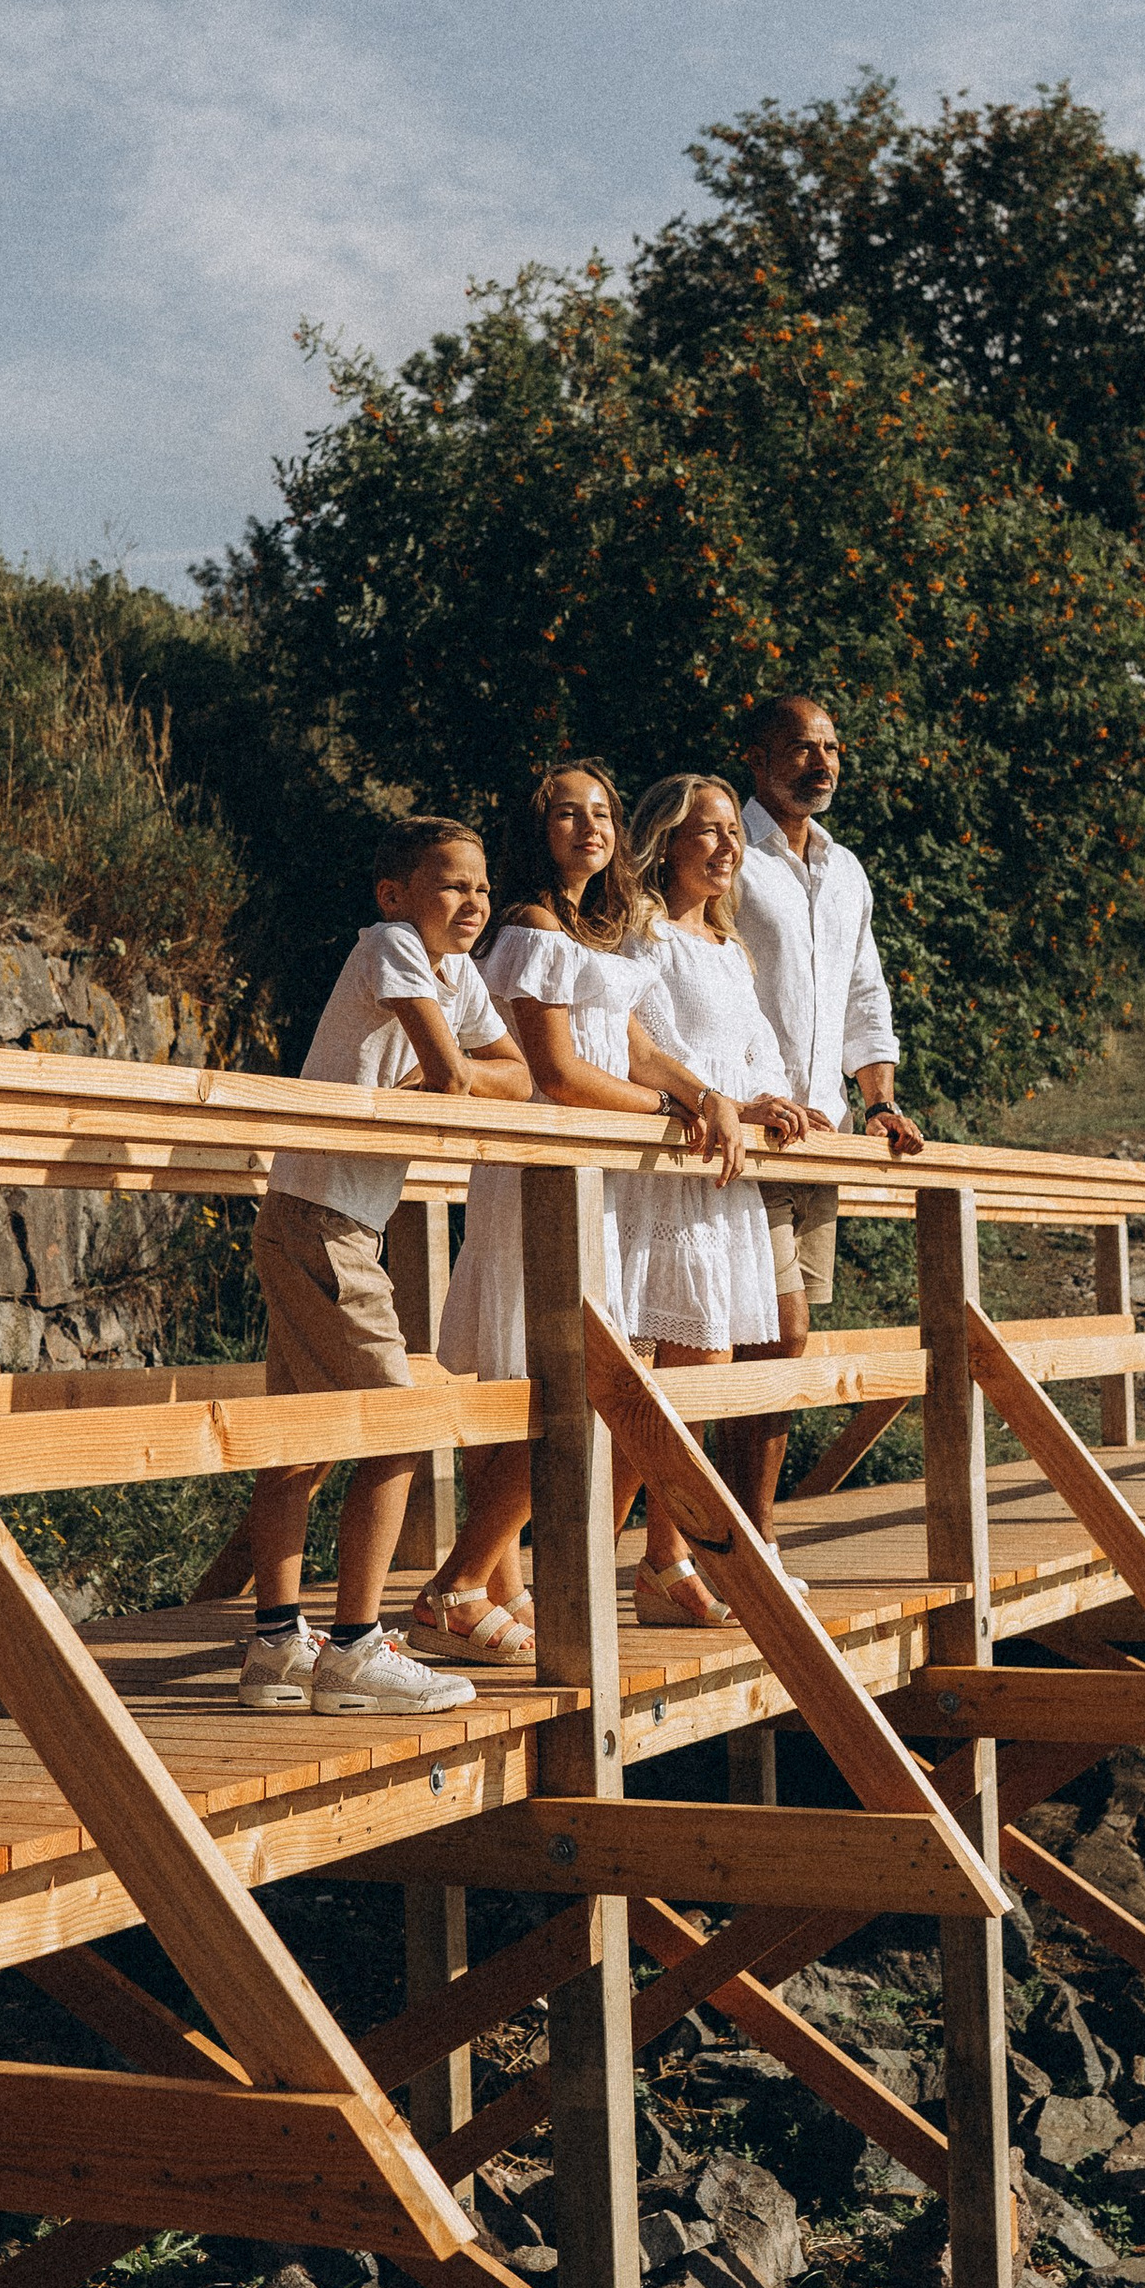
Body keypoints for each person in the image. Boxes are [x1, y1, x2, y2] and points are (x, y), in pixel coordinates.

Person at [411, 761, 743, 1664]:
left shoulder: (596, 929)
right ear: (537, 828)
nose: (591, 826)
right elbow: (556, 1074)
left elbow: (635, 1048)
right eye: (568, 814)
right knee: (563, 1381)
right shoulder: (527, 925)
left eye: (602, 811)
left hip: (597, 1184)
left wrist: (704, 1093)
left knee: (575, 1380)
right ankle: (455, 1584)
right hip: (544, 1179)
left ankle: (498, 1580)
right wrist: (671, 1113)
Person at [237, 817, 534, 1714]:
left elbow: (513, 1071)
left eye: (482, 886)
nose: (473, 901)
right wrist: (450, 1075)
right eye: (451, 885)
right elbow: (454, 1074)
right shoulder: (391, 945)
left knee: (303, 1442)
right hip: (322, 1218)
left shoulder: (452, 970)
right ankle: (358, 1649)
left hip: (330, 1220)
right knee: (399, 1425)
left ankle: (277, 1646)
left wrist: (459, 1074)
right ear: (396, 895)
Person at [610, 772, 810, 1617]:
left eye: (734, 831)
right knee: (644, 1375)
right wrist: (707, 1097)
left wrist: (763, 1101)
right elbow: (627, 1041)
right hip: (659, 1171)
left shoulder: (731, 949)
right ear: (666, 842)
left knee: (705, 1366)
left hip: (722, 1179)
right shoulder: (641, 932)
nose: (727, 847)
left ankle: (667, 1559)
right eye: (708, 832)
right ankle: (596, 1552)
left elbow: (760, 1052)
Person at [729, 691, 925, 1547]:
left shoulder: (845, 870)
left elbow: (863, 996)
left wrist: (878, 1100)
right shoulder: (722, 851)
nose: (823, 762)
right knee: (770, 1334)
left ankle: (732, 1535)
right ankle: (741, 1539)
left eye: (833, 747)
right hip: (744, 1134)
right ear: (756, 757)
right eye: (803, 747)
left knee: (779, 1344)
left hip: (824, 1140)